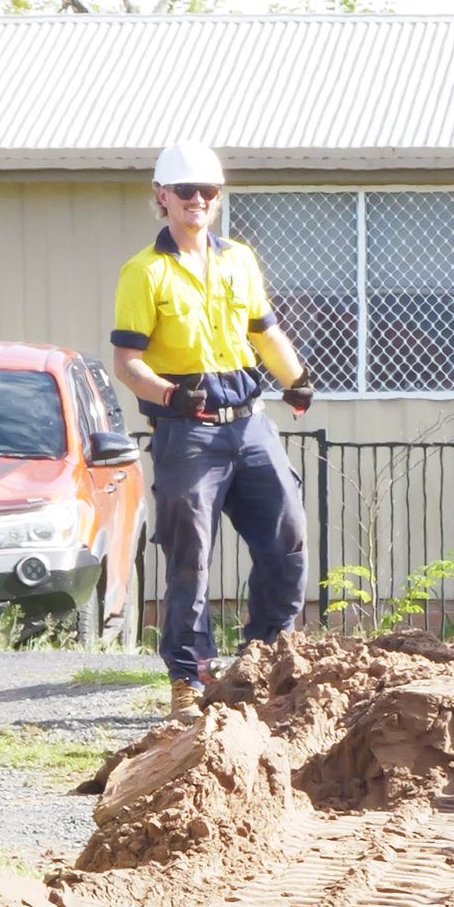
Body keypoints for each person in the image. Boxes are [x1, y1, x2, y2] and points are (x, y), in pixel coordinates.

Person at [110, 142, 315, 716]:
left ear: (218, 198)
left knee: (287, 535)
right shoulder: (143, 272)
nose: (197, 200)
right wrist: (171, 393)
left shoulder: (239, 260)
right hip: (187, 432)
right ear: (162, 197)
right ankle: (189, 677)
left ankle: (267, 660)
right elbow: (127, 363)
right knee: (189, 555)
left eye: (207, 191)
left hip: (249, 423)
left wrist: (296, 379)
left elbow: (265, 332)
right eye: (185, 191)